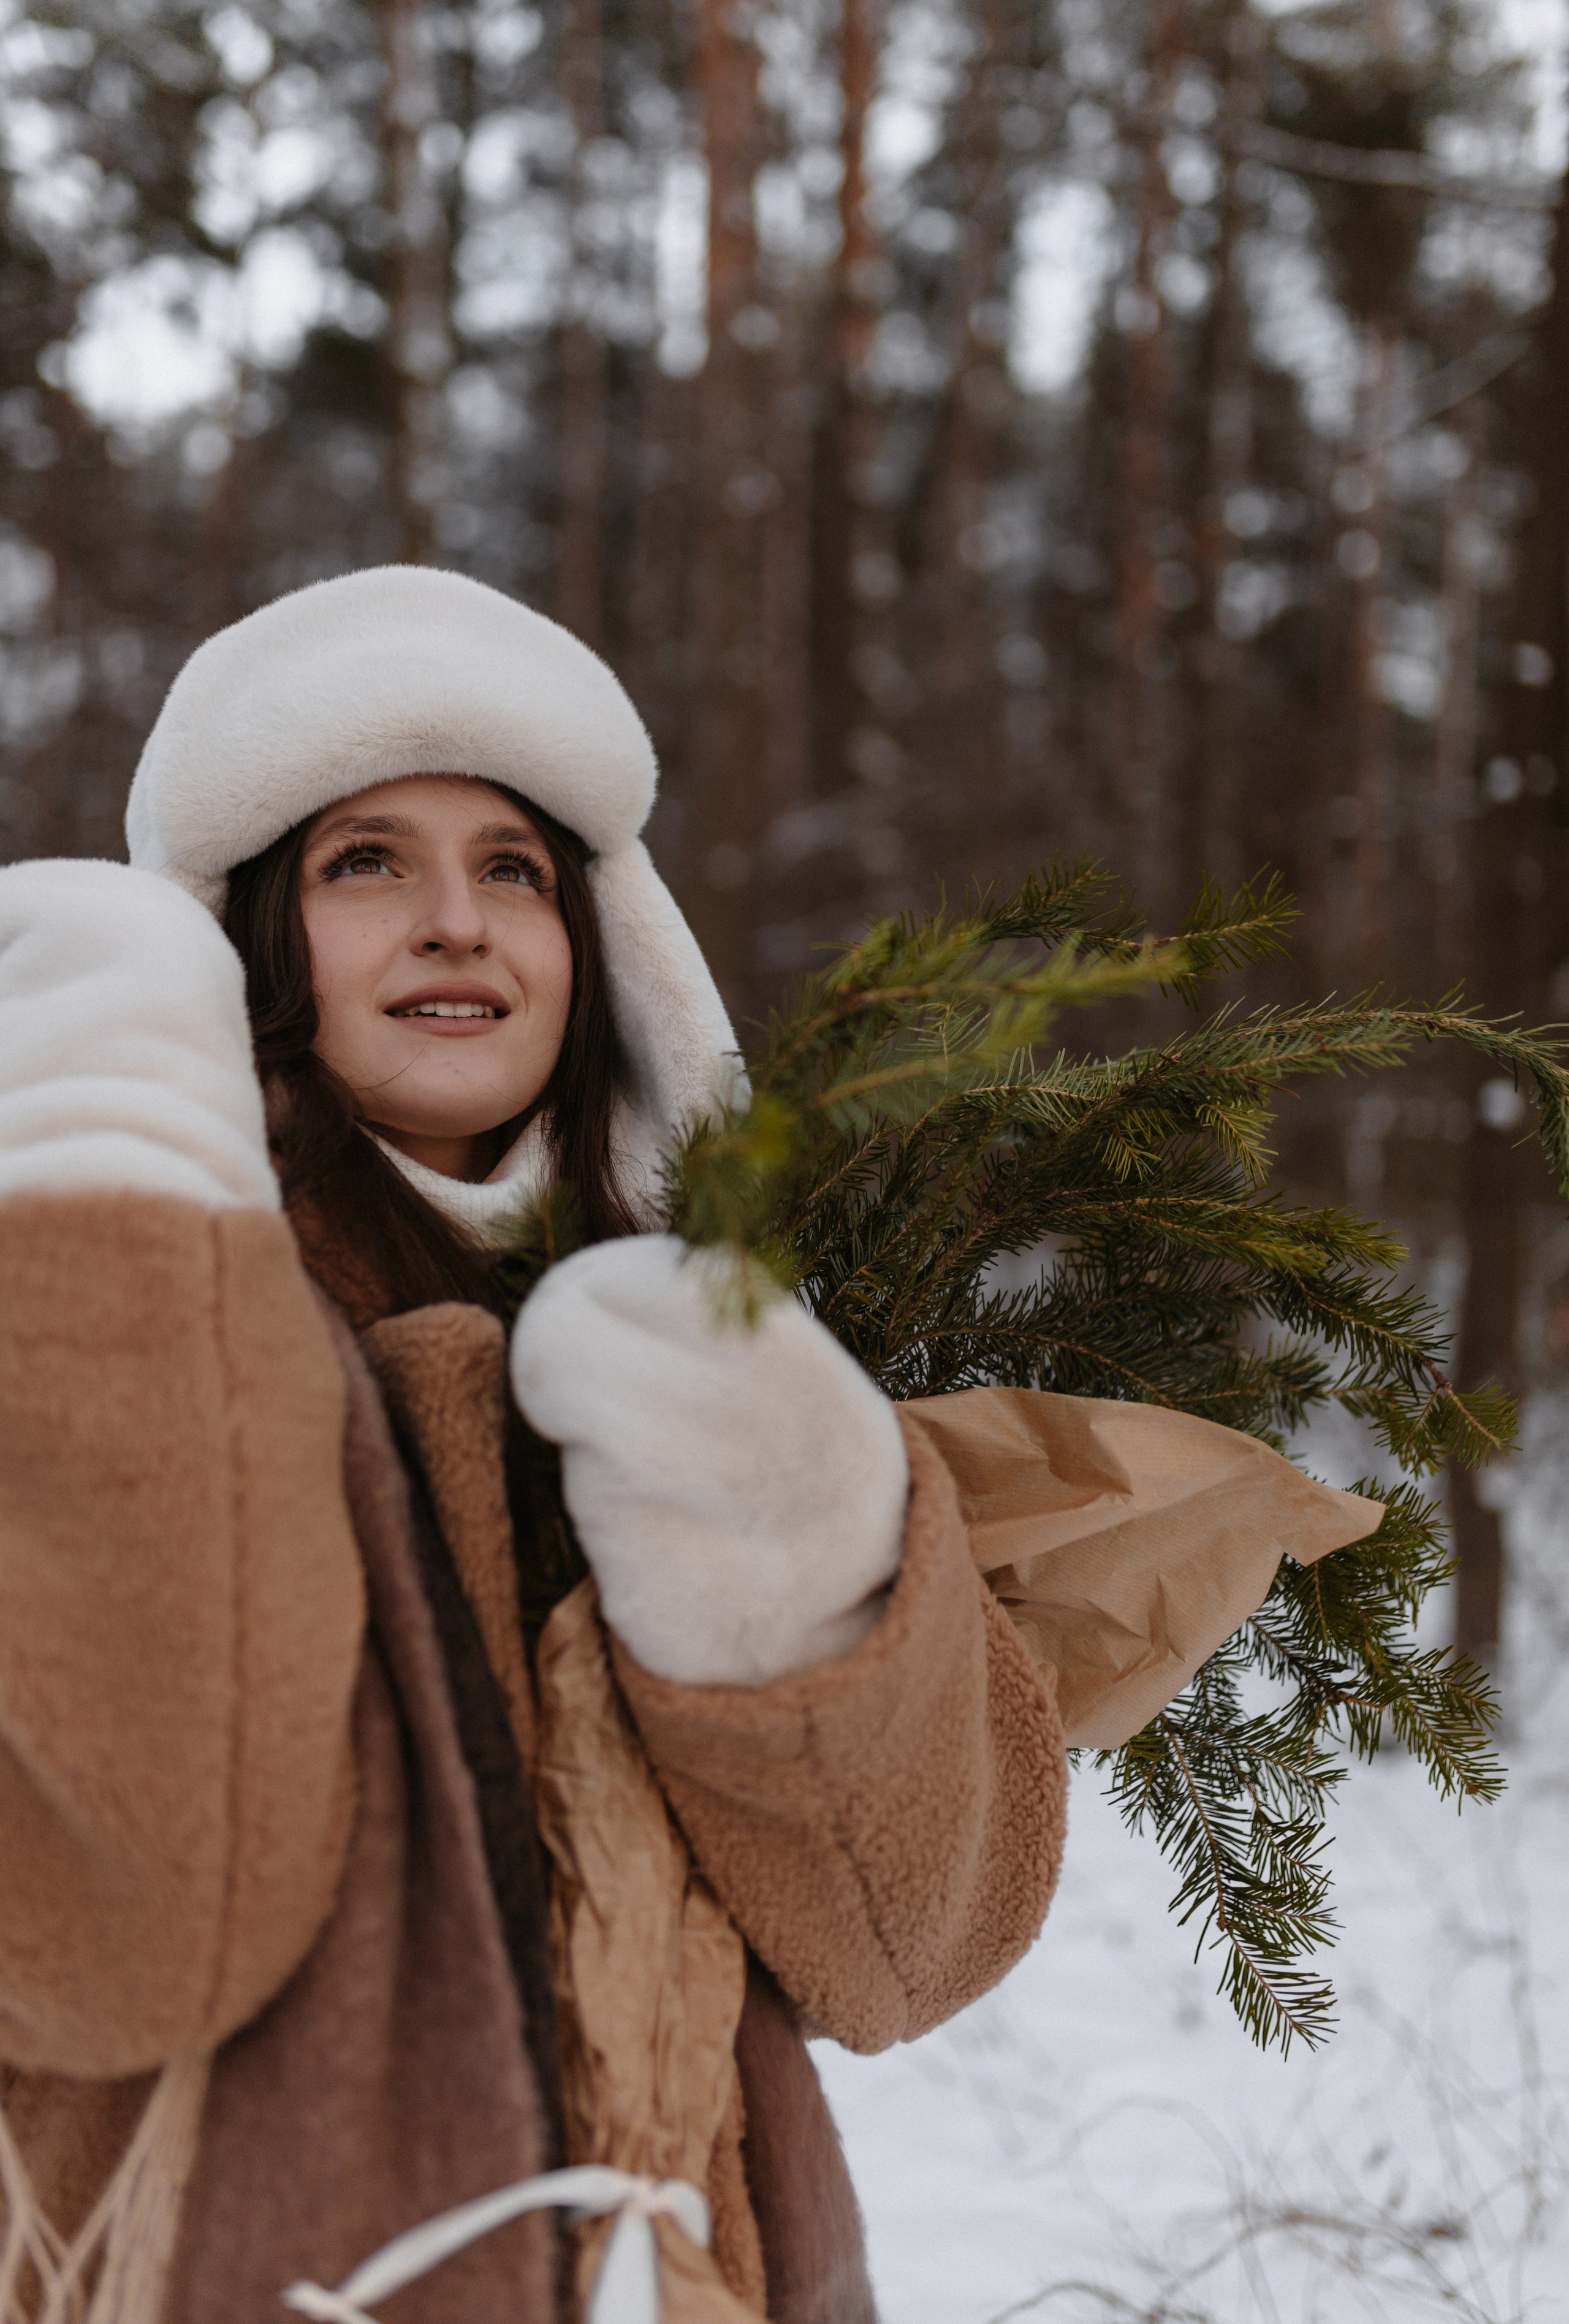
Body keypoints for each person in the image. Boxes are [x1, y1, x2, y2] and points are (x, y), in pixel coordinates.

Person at [0, 566, 1378, 2324]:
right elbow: (128, 1930)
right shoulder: (77, 1314)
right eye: (366, 864)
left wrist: (793, 1562)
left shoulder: (722, 1344)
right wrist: (115, 1277)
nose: (456, 922)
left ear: (598, 946)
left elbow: (909, 1947)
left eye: (513, 868)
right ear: (246, 941)